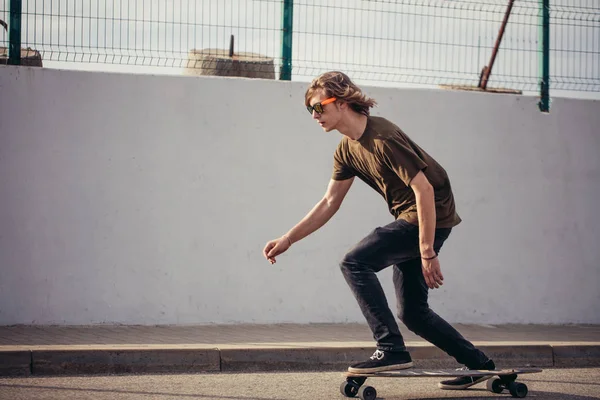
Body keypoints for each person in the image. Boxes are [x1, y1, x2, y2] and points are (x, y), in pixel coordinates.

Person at [262, 71, 495, 390]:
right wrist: (289, 238)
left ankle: (390, 349)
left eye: (319, 107)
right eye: (310, 110)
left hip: (430, 215)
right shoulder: (346, 150)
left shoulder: (382, 136)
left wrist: (426, 251)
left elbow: (424, 190)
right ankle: (480, 365)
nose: (314, 115)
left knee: (355, 262)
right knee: (413, 313)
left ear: (341, 103)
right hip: (415, 218)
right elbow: (330, 201)